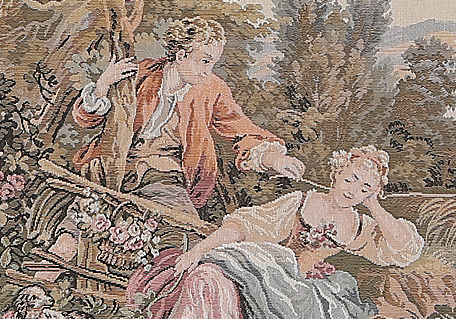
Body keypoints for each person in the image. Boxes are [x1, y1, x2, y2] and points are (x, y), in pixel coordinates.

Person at [126, 145, 427, 319]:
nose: (352, 191)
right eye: (350, 179)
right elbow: (244, 226)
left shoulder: (360, 226)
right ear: (337, 173)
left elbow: (405, 248)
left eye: (364, 188)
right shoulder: (302, 201)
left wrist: (373, 205)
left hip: (308, 289)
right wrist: (198, 250)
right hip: (272, 271)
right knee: (207, 276)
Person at [72, 17, 306, 217]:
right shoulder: (141, 73)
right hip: (112, 166)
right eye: (204, 61)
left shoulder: (212, 89)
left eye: (212, 63)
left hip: (164, 175)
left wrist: (275, 159)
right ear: (181, 54)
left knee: (179, 231)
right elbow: (85, 119)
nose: (207, 71)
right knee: (75, 231)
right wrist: (103, 85)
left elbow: (241, 130)